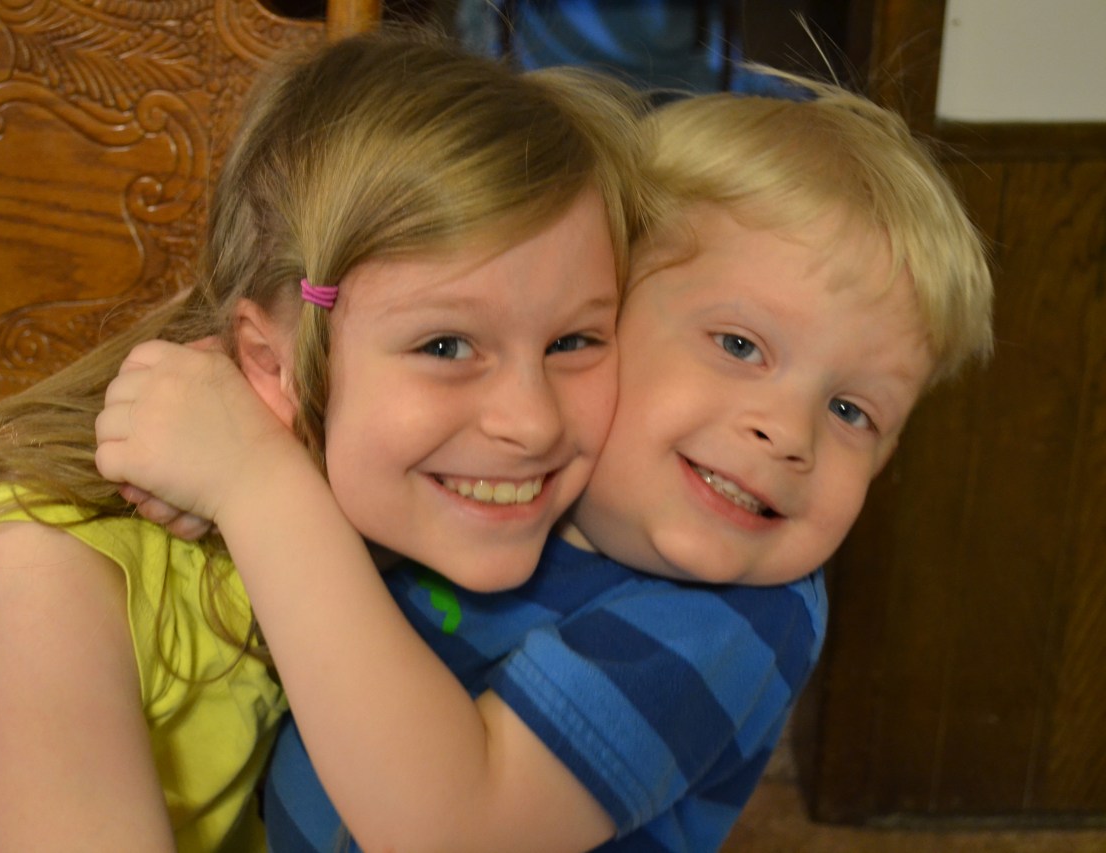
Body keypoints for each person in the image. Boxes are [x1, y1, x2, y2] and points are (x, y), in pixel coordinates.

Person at [95, 74, 993, 851]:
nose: (790, 433)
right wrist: (242, 424)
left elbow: (456, 826)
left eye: (852, 411)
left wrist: (257, 484)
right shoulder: (520, 480)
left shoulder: (732, 623)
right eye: (739, 345)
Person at [0, 31, 653, 852]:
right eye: (445, 346)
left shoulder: (390, 511)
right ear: (267, 362)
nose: (532, 421)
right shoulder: (37, 572)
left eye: (573, 340)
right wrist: (262, 486)